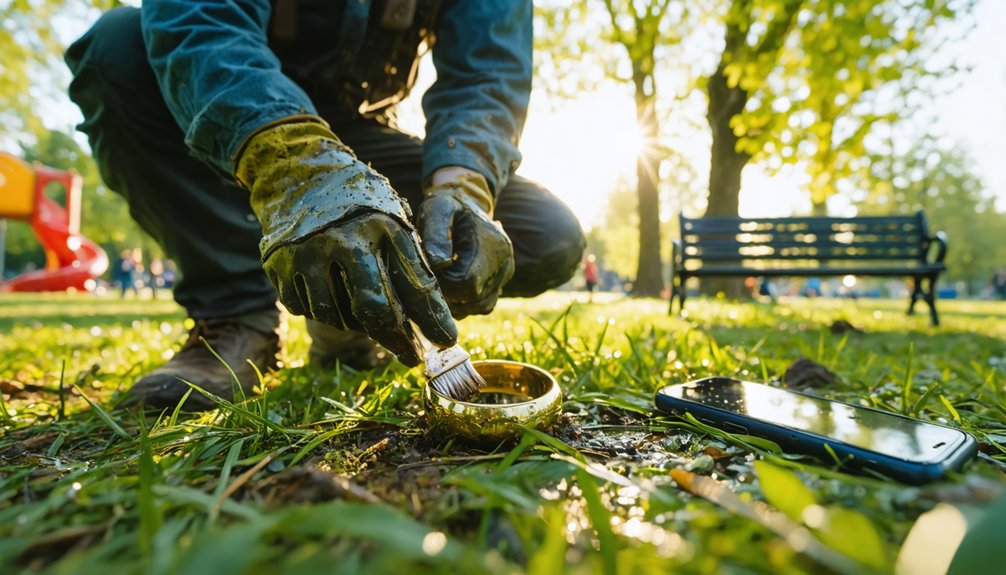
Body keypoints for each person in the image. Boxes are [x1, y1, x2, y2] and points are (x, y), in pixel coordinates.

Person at [66, 1, 586, 410]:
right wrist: (297, 166)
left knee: (546, 234)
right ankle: (234, 314)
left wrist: (463, 188)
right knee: (115, 48)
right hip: (230, 110)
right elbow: (201, 20)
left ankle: (355, 313)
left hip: (361, 131)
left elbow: (487, 73)